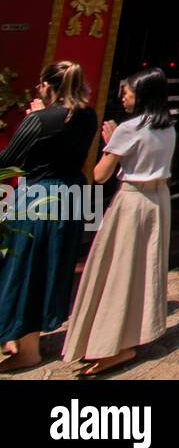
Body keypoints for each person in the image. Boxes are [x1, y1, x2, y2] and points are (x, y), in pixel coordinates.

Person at [62, 67, 177, 376]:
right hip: (158, 201)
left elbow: (100, 175)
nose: (122, 96)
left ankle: (113, 344)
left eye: (127, 91)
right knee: (142, 270)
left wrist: (110, 145)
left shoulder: (129, 129)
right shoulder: (168, 127)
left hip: (132, 201)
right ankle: (135, 332)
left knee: (116, 272)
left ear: (142, 96)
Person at [0, 62, 97, 373]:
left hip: (38, 197)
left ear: (46, 87)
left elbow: (7, 161)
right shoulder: (87, 115)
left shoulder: (40, 120)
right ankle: (26, 337)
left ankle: (27, 348)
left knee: (25, 267)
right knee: (51, 266)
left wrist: (33, 119)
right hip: (72, 196)